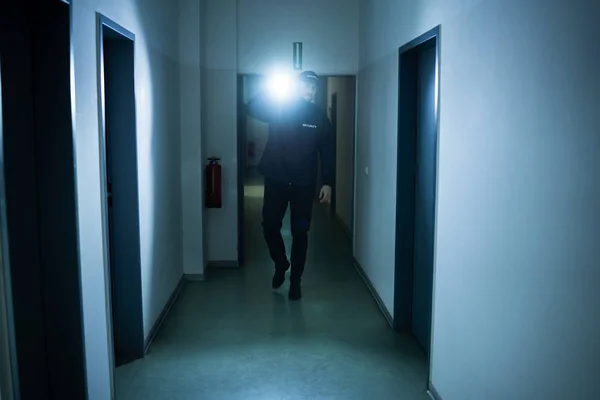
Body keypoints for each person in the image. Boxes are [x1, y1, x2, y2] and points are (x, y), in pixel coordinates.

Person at [245, 71, 335, 300]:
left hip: (304, 185)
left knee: (300, 233)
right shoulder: (279, 109)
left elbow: (327, 152)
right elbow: (251, 107)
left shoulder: (319, 117)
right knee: (269, 226)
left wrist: (328, 182)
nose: (310, 90)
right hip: (276, 180)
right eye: (305, 86)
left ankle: (296, 281)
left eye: (313, 87)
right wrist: (271, 90)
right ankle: (281, 263)